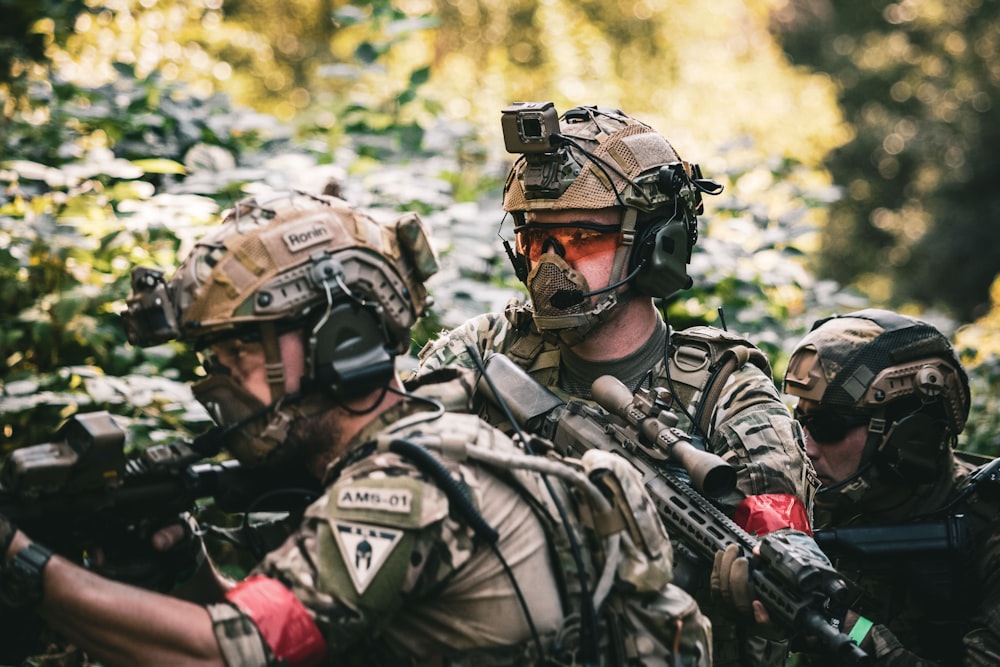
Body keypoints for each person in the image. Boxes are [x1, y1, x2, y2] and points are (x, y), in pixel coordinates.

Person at [0, 190, 712, 666]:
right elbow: (285, 627)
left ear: (341, 343)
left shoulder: (400, 487)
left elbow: (230, 652)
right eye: (212, 355)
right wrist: (186, 568)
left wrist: (25, 564)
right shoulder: (439, 448)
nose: (216, 378)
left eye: (240, 349)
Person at [414, 102, 820, 665]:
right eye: (538, 239)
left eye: (581, 236)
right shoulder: (482, 351)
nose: (550, 265)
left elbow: (782, 568)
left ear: (655, 245)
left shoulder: (729, 393)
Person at [782, 308, 1000, 665]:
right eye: (800, 420)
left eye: (828, 425)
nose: (806, 445)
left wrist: (849, 630)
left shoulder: (988, 526)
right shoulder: (822, 500)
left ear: (909, 433)